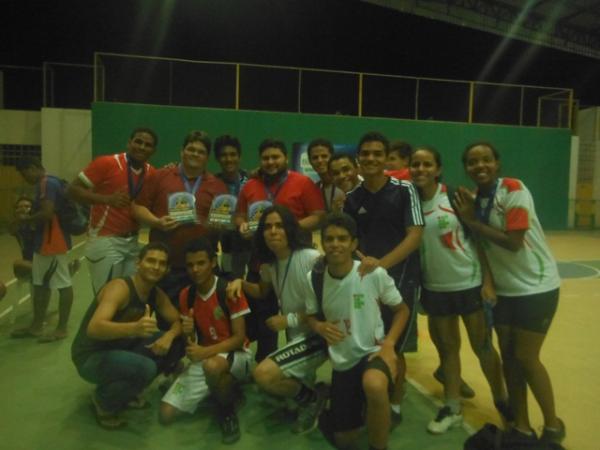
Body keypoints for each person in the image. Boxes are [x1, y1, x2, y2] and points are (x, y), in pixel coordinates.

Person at [454, 142, 565, 444]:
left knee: (527, 357)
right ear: (466, 167)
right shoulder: (474, 200)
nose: (480, 166)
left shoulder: (514, 189)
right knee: (509, 359)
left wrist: (472, 222)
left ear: (497, 163)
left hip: (536, 287)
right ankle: (522, 425)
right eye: (473, 162)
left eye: (486, 160)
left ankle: (553, 425)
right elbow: (480, 246)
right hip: (503, 293)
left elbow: (514, 241)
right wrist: (487, 281)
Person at [409, 146, 509, 434]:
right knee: (448, 350)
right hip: (434, 289)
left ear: (438, 169)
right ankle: (452, 406)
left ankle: (502, 401)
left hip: (469, 284)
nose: (420, 169)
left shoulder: (457, 196)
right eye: (415, 164)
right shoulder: (409, 201)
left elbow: (479, 238)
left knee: (483, 348)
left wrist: (488, 281)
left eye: (427, 164)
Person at [305, 212, 410, 450]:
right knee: (345, 441)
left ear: (354, 243)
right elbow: (310, 316)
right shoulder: (315, 278)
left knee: (373, 384)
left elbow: (402, 310)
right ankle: (342, 410)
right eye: (329, 239)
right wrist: (319, 326)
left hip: (373, 351)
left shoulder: (373, 273)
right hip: (343, 360)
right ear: (322, 242)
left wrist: (390, 345)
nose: (335, 244)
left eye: (342, 239)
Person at [343, 131, 424, 419]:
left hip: (401, 279)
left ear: (386, 158)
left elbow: (415, 236)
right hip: (365, 281)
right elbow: (348, 240)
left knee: (394, 343)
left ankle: (395, 401)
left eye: (378, 153)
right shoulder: (352, 198)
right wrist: (361, 262)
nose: (371, 158)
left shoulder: (405, 190)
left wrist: (382, 265)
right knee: (366, 339)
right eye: (365, 153)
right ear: (358, 158)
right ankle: (370, 392)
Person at [231, 205, 328, 434]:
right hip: (297, 336)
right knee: (280, 387)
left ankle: (313, 399)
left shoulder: (312, 258)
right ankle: (313, 392)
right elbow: (261, 291)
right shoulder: (271, 265)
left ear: (290, 230)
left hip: (319, 335)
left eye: (279, 226)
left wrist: (290, 320)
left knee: (263, 375)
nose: (273, 231)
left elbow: (330, 307)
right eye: (267, 227)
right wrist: (238, 282)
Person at [71, 242, 183, 429]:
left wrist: (169, 336)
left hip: (118, 347)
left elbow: (177, 321)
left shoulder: (156, 294)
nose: (156, 267)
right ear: (138, 263)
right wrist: (134, 329)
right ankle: (103, 402)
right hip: (90, 356)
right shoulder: (120, 288)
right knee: (145, 368)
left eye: (161, 263)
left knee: (175, 343)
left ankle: (128, 391)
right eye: (150, 261)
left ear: (167, 269)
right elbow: (94, 328)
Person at [235, 138, 325, 360]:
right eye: (266, 158)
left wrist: (288, 229)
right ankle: (266, 361)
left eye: (275, 157)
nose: (270, 162)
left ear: (285, 158)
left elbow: (319, 216)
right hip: (261, 261)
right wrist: (242, 225)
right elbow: (239, 215)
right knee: (264, 319)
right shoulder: (250, 185)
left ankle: (301, 365)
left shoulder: (303, 183)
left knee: (300, 314)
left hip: (295, 262)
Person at [160, 238, 252, 444]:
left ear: (212, 262)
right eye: (190, 265)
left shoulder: (229, 290)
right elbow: (192, 342)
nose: (195, 269)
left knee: (213, 366)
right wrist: (189, 334)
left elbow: (238, 339)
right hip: (205, 357)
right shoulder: (187, 295)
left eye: (201, 263)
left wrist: (204, 353)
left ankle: (227, 412)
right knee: (165, 414)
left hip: (237, 356)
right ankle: (224, 391)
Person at [132, 130, 228, 304]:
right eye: (191, 149)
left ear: (207, 158)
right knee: (167, 320)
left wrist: (216, 225)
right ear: (182, 151)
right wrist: (156, 222)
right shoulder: (160, 176)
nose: (195, 154)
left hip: (202, 268)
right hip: (166, 266)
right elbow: (137, 207)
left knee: (204, 321)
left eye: (201, 152)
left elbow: (222, 224)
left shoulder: (218, 186)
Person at [68, 127, 158, 295]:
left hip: (132, 243)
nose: (142, 147)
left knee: (127, 297)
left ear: (153, 150)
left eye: (148, 145)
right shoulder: (107, 163)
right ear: (129, 142)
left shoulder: (151, 173)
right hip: (105, 240)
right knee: (106, 299)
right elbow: (72, 190)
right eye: (138, 141)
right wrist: (106, 200)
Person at [10, 157, 74, 342]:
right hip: (44, 241)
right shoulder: (50, 182)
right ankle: (36, 326)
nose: (25, 179)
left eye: (25, 174)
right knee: (40, 284)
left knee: (63, 284)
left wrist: (24, 220)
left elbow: (47, 213)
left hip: (52, 240)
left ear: (32, 168)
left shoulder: (47, 183)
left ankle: (61, 328)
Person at [214, 135, 251, 279]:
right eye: (223, 155)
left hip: (251, 243)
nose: (228, 159)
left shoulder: (252, 179)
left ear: (239, 156)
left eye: (232, 154)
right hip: (227, 243)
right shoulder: (213, 183)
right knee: (229, 279)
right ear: (217, 158)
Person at [306, 138, 344, 212]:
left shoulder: (344, 182)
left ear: (332, 157)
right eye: (315, 157)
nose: (320, 160)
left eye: (324, 156)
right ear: (310, 161)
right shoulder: (314, 189)